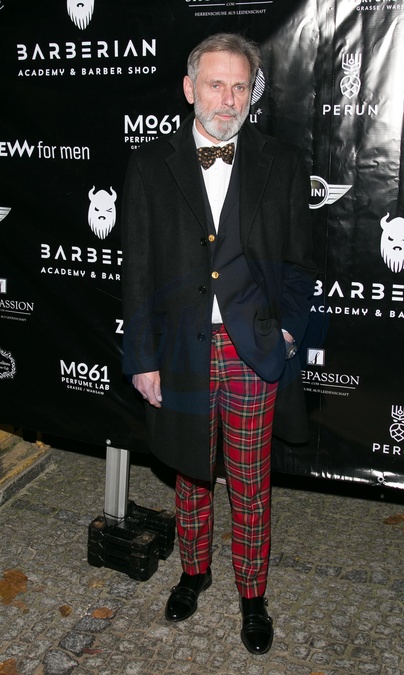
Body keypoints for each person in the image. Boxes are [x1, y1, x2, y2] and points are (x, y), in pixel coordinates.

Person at [121, 32, 316, 655]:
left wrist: (286, 332)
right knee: (190, 472)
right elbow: (137, 269)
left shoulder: (283, 163)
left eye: (240, 86)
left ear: (251, 94)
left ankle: (253, 594)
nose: (228, 99)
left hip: (252, 347)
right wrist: (142, 358)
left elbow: (298, 264)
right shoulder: (150, 165)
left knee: (251, 480)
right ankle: (194, 571)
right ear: (189, 89)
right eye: (215, 84)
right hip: (179, 349)